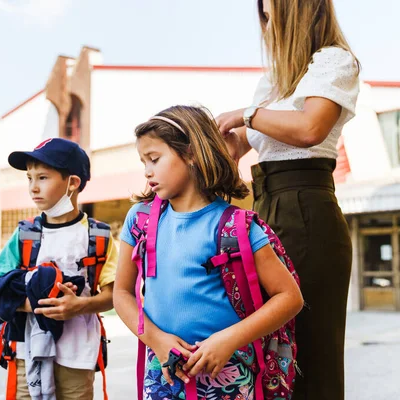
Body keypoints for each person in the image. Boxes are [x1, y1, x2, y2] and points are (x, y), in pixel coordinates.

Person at [215, 1, 360, 398]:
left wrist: (247, 115)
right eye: (262, 12)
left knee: (310, 354)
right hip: (265, 208)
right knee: (267, 350)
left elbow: (311, 128)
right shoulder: (274, 81)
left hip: (307, 209)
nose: (267, 21)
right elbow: (236, 147)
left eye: (272, 9)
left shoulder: (334, 61)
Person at [114, 105, 304, 399]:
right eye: (143, 161)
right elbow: (122, 294)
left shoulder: (238, 227)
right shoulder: (140, 220)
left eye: (154, 158)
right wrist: (158, 340)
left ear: (191, 153)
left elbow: (290, 298)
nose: (147, 171)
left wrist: (228, 340)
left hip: (229, 373)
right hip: (163, 368)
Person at [0, 138, 118, 400]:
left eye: (43, 178)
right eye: (29, 178)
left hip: (78, 353)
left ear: (72, 182)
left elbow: (114, 295)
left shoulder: (99, 236)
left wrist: (77, 307)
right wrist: (35, 303)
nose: (33, 187)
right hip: (26, 351)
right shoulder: (25, 234)